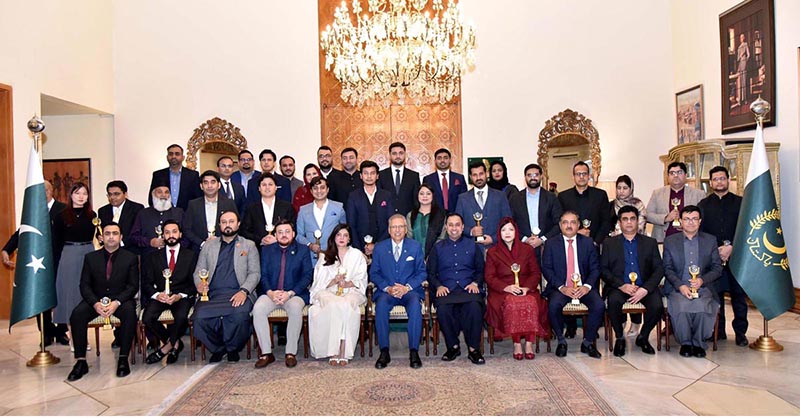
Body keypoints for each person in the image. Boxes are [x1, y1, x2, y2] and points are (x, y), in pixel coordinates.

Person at [67, 223, 139, 381]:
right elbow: (84, 285)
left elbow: (133, 286)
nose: (111, 237)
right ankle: (81, 361)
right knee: (77, 315)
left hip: (121, 300)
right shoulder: (90, 258)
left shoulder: (130, 258)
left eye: (115, 233)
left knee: (129, 313)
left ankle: (123, 359)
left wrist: (116, 302)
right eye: (107, 234)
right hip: (96, 299)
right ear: (101, 237)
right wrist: (95, 303)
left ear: (121, 237)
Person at [2, 180, 68, 346]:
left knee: (60, 296)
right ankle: (46, 332)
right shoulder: (34, 210)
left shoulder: (64, 209)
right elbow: (22, 231)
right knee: (43, 296)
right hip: (40, 262)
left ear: (51, 191)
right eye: (39, 191)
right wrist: (6, 250)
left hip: (61, 260)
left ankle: (61, 331)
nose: (43, 193)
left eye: (45, 190)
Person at [192, 211, 260, 363]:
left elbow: (255, 273)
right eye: (224, 222)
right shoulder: (209, 246)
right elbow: (198, 271)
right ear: (219, 225)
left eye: (231, 221)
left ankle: (232, 348)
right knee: (198, 318)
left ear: (238, 224)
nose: (227, 225)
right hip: (212, 295)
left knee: (240, 315)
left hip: (238, 293)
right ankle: (218, 348)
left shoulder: (248, 245)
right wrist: (199, 284)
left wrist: (244, 291)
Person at [600, 205, 663, 357]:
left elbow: (659, 269)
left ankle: (643, 336)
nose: (629, 222)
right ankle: (620, 337)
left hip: (644, 287)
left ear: (638, 221)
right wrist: (621, 285)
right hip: (619, 287)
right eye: (625, 219)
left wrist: (645, 289)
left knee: (657, 305)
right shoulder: (609, 243)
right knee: (614, 301)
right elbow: (603, 270)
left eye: (632, 219)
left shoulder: (650, 242)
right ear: (619, 223)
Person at [541, 211, 604, 359]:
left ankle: (588, 342)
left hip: (584, 287)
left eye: (573, 222)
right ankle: (561, 342)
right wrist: (562, 287)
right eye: (565, 222)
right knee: (553, 305)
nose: (569, 226)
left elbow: (595, 268)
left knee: (599, 305)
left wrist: (587, 286)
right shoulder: (551, 243)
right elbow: (547, 269)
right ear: (560, 225)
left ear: (579, 225)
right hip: (561, 287)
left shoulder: (588, 242)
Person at [662, 205, 723, 358]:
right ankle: (686, 343)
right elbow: (667, 268)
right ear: (680, 221)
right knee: (682, 307)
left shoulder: (710, 240)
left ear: (700, 221)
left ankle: (699, 342)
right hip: (678, 287)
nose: (690, 223)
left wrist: (702, 280)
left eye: (694, 219)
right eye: (687, 219)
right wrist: (680, 285)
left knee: (702, 306)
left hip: (703, 287)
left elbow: (717, 268)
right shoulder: (670, 241)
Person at [484, 217, 548, 360]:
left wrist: (527, 288)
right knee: (513, 304)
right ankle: (517, 343)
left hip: (526, 288)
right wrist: (506, 287)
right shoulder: (492, 252)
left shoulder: (527, 249)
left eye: (511, 229)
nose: (507, 233)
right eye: (503, 230)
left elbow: (535, 273)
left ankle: (529, 343)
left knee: (530, 302)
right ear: (499, 233)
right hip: (502, 290)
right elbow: (489, 277)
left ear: (516, 232)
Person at [697, 166, 748, 346]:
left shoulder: (741, 202)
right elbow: (700, 232)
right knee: (715, 296)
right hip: (713, 259)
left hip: (737, 256)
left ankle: (741, 333)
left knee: (738, 297)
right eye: (715, 179)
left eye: (722, 178)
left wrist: (731, 247)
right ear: (710, 183)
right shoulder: (703, 205)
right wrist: (715, 250)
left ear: (728, 180)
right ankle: (718, 331)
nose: (719, 182)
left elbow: (746, 229)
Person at [427, 213, 486, 365]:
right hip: (446, 289)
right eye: (451, 225)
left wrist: (475, 283)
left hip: (468, 289)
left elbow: (481, 270)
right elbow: (430, 273)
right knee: (444, 309)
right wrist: (439, 286)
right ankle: (453, 346)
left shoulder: (473, 246)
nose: (454, 228)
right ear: (446, 227)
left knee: (474, 307)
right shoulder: (437, 248)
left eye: (457, 225)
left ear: (463, 227)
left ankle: (474, 349)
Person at [253, 220, 313, 368]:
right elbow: (263, 275)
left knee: (294, 309)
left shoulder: (303, 250)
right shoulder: (267, 250)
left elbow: (307, 276)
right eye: (280, 232)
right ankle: (266, 353)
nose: (284, 235)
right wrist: (270, 293)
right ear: (275, 235)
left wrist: (290, 293)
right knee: (258, 308)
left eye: (287, 232)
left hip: (294, 293)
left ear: (293, 234)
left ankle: (290, 352)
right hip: (271, 292)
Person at [370, 214, 427, 369]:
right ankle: (384, 351)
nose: (397, 230)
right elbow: (374, 273)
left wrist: (407, 287)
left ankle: (414, 351)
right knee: (381, 305)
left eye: (401, 226)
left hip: (409, 291)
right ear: (389, 230)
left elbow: (422, 272)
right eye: (394, 227)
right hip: (387, 292)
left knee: (415, 304)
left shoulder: (414, 246)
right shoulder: (380, 248)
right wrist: (387, 288)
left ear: (405, 229)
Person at [308, 224, 367, 365]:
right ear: (334, 237)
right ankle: (333, 350)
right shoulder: (324, 256)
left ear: (349, 239)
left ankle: (343, 349)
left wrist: (347, 284)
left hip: (352, 291)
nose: (342, 238)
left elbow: (362, 278)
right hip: (329, 291)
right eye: (339, 235)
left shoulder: (357, 255)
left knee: (346, 304)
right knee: (335, 304)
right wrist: (334, 280)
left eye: (345, 235)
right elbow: (318, 282)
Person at [142, 220, 196, 365]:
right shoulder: (153, 256)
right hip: (160, 296)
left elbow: (194, 284)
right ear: (163, 236)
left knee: (181, 316)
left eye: (174, 232)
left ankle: (165, 348)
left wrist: (179, 296)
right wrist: (157, 295)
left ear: (180, 234)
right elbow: (146, 282)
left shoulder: (190, 255)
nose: (171, 235)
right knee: (147, 318)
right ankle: (174, 343)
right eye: (167, 232)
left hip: (181, 296)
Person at [52, 182, 97, 348]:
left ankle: (85, 336)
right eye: (77, 193)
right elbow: (56, 243)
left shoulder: (93, 216)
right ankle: (74, 338)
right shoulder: (61, 216)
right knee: (70, 296)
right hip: (69, 255)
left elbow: (97, 235)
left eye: (84, 193)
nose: (81, 197)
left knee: (86, 295)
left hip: (88, 253)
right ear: (71, 195)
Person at [607, 174, 648, 336]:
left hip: (636, 246)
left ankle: (636, 322)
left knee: (636, 281)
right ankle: (621, 320)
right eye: (619, 187)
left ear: (631, 189)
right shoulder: (611, 205)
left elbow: (640, 226)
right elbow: (606, 225)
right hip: (615, 248)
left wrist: (624, 233)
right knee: (620, 282)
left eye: (625, 187)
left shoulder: (638, 204)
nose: (622, 191)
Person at [509, 163, 562, 258]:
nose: (533, 178)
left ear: (541, 176)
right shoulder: (515, 198)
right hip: (522, 246)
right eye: (529, 175)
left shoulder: (551, 197)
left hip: (547, 246)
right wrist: (525, 239)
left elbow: (558, 223)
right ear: (525, 177)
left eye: (536, 175)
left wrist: (542, 239)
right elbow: (511, 222)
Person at [455, 161, 512, 249]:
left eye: (481, 174)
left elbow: (508, 222)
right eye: (475, 175)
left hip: (497, 249)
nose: (478, 178)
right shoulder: (462, 199)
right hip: (471, 250)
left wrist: (493, 239)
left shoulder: (500, 196)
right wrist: (471, 231)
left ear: (486, 174)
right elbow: (457, 224)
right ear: (470, 177)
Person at [645, 162, 706, 243]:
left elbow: (704, 218)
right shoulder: (657, 193)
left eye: (679, 172)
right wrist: (666, 218)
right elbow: (648, 215)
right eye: (672, 173)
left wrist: (687, 224)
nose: (676, 175)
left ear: (685, 175)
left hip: (691, 241)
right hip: (663, 240)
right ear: (668, 177)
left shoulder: (698, 194)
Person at [557, 161, 612, 246]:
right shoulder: (563, 197)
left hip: (594, 244)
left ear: (589, 176)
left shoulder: (600, 195)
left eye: (584, 174)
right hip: (570, 244)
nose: (581, 177)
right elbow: (560, 222)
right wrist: (576, 233)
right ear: (573, 177)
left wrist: (595, 242)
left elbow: (606, 221)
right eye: (578, 174)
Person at [296, 176, 346, 266]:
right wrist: (309, 245)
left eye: (322, 188)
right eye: (315, 188)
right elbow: (299, 235)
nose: (319, 191)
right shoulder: (303, 210)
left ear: (327, 189)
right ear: (311, 191)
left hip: (334, 256)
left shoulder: (338, 208)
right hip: (311, 258)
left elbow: (345, 232)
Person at [182, 170, 238, 251]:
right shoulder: (193, 204)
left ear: (219, 185)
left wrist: (222, 241)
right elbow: (187, 229)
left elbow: (235, 226)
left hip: (224, 248)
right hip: (199, 249)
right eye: (206, 183)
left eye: (213, 182)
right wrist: (202, 243)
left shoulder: (229, 203)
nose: (209, 186)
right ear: (201, 186)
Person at [346, 160, 393, 254]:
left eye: (372, 173)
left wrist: (377, 245)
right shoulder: (353, 196)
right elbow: (351, 224)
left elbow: (390, 223)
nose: (369, 176)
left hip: (383, 245)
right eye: (366, 173)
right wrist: (359, 250)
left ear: (377, 176)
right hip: (360, 247)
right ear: (361, 176)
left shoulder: (386, 195)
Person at [240, 172, 295, 250]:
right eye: (264, 185)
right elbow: (244, 231)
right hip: (258, 250)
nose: (267, 187)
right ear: (259, 188)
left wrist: (278, 239)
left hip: (283, 249)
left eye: (270, 184)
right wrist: (261, 239)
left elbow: (293, 228)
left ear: (276, 187)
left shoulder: (287, 207)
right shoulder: (251, 208)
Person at [129, 181, 186, 257]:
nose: (164, 195)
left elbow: (186, 236)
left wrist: (173, 244)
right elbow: (134, 237)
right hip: (149, 258)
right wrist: (150, 242)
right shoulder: (143, 213)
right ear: (153, 194)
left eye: (167, 192)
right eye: (159, 192)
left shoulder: (179, 213)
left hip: (174, 258)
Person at [148, 144, 201, 211]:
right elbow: (152, 198)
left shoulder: (193, 175)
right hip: (165, 215)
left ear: (183, 157)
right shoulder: (158, 175)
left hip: (187, 216)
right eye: (171, 154)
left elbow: (198, 198)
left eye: (177, 154)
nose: (173, 156)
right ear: (167, 157)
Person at [97, 180, 144, 249]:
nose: (112, 197)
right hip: (109, 250)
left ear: (125, 194)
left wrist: (120, 243)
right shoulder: (103, 210)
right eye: (110, 194)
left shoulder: (136, 208)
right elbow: (100, 230)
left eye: (116, 194)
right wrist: (100, 237)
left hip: (130, 250)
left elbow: (137, 232)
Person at [378, 142, 421, 216]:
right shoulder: (381, 175)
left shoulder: (413, 176)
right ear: (390, 155)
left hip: (408, 220)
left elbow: (417, 200)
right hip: (386, 218)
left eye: (401, 153)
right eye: (394, 153)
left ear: (405, 155)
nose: (398, 156)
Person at [406, 183, 445, 258]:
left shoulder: (441, 215)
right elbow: (409, 238)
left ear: (433, 196)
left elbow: (442, 238)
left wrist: (431, 256)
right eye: (421, 193)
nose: (425, 196)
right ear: (417, 196)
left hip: (436, 256)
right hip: (414, 256)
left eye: (428, 194)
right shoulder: (410, 215)